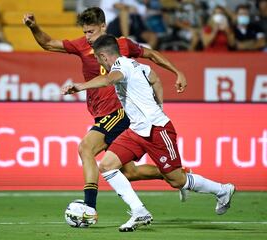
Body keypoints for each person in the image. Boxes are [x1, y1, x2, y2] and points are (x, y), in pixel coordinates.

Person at [23, 7, 188, 220]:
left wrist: (177, 72)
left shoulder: (122, 45)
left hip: (119, 112)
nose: (87, 37)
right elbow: (48, 43)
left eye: (91, 31)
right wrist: (34, 27)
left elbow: (152, 54)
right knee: (130, 173)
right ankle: (180, 175)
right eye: (85, 32)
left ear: (103, 26)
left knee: (86, 148)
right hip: (101, 114)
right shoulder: (82, 46)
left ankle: (89, 207)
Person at [62, 34, 236, 232]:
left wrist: (80, 86)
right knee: (107, 166)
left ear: (103, 56)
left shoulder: (122, 66)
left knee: (176, 180)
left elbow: (109, 79)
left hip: (157, 129)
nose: (100, 63)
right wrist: (159, 105)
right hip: (136, 130)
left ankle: (223, 190)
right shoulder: (137, 65)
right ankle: (139, 211)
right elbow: (155, 79)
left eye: (99, 59)